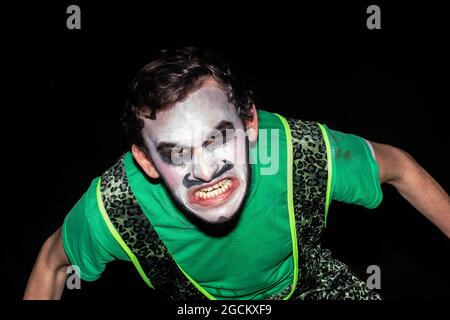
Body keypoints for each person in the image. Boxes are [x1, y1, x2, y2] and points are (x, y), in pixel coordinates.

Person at [24, 47, 450, 300]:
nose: (206, 171)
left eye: (216, 138)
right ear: (147, 162)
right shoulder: (117, 207)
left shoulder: (299, 154)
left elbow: (399, 167)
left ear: (249, 125)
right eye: (175, 152)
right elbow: (51, 263)